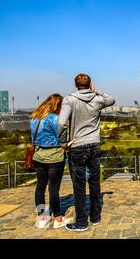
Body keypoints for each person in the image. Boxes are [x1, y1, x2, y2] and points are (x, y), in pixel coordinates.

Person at [58, 73, 115, 232]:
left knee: (79, 184)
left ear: (76, 84)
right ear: (90, 84)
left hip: (77, 146)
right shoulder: (97, 99)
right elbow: (111, 100)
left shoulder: (70, 99)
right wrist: (96, 92)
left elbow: (62, 123)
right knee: (95, 182)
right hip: (95, 144)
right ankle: (95, 217)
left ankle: (82, 222)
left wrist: (63, 142)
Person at [30, 94, 72, 229]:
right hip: (54, 157)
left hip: (38, 156)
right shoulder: (55, 119)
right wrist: (68, 144)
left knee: (40, 187)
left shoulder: (34, 117)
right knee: (54, 189)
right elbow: (61, 137)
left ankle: (42, 218)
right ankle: (58, 218)